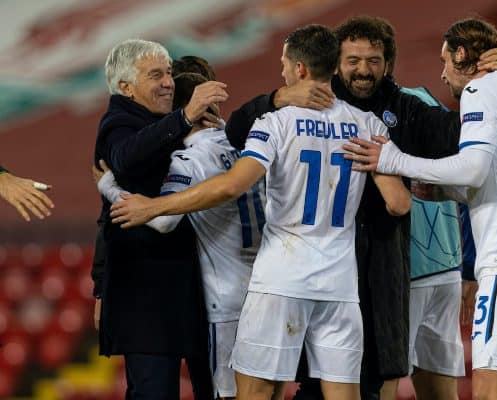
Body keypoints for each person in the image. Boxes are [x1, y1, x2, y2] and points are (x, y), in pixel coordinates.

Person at [108, 24, 412, 400]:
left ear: (300, 70)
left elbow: (233, 184)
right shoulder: (367, 124)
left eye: (285, 64)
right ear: (334, 67)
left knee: (252, 393)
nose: (282, 71)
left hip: (281, 281)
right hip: (339, 285)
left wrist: (153, 205)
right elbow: (399, 203)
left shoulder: (275, 123)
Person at [224, 16, 497, 400]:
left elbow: (465, 136)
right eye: (353, 60)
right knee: (307, 385)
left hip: (377, 276)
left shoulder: (405, 110)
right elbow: (237, 130)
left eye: (373, 60)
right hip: (324, 275)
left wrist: (495, 84)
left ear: (388, 64)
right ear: (336, 62)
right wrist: (278, 96)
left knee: (369, 384)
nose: (363, 70)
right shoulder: (306, 102)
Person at [345, 18, 497, 400]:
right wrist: (447, 190)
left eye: (446, 61)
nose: (443, 76)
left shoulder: (479, 89)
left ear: (462, 55)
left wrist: (395, 160)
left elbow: (473, 167)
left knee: (490, 390)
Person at [95, 56, 266, 400]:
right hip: (265, 289)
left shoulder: (187, 161)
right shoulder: (250, 146)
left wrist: (108, 187)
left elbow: (162, 220)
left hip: (225, 299)